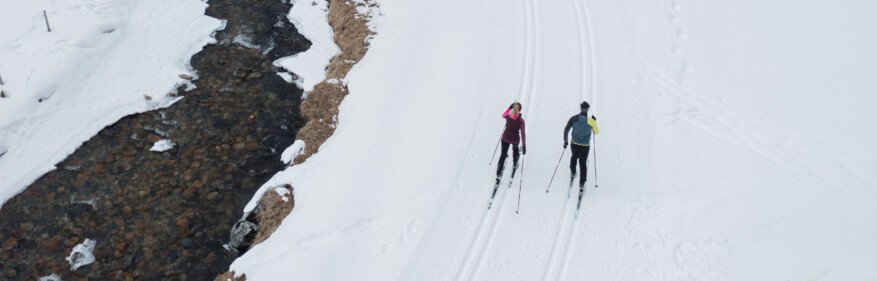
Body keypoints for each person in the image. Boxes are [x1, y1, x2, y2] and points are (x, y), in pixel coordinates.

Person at [563, 101, 599, 189]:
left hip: (574, 143)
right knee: (583, 163)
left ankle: (573, 171)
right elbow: (596, 132)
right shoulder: (591, 121)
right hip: (585, 146)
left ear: (581, 108)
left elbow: (566, 129)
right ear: (587, 109)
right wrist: (594, 122)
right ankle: (582, 182)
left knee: (574, 157)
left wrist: (565, 140)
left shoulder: (573, 118)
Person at [496, 102, 527, 184]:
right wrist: (524, 145)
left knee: (503, 155)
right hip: (514, 139)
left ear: (513, 108)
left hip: (505, 138)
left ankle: (498, 173)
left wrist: (509, 108)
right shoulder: (521, 121)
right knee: (515, 148)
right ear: (520, 110)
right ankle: (515, 161)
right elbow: (523, 133)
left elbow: (503, 115)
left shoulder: (508, 116)